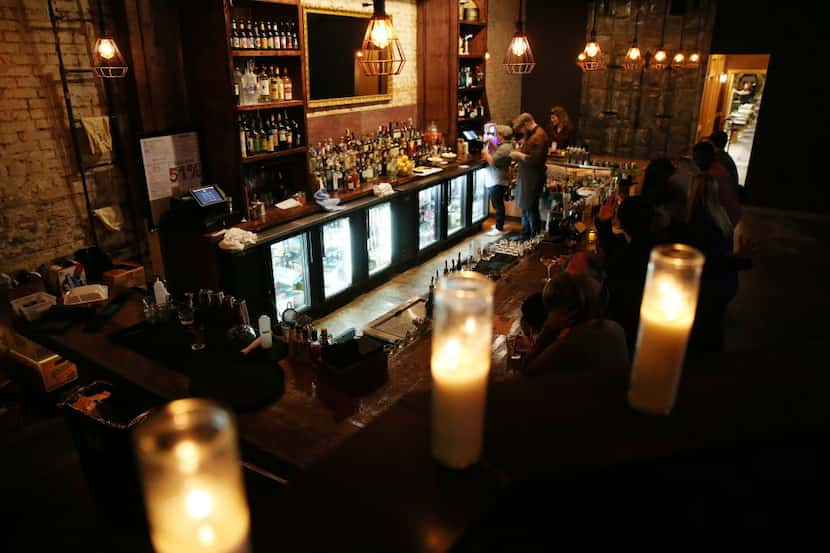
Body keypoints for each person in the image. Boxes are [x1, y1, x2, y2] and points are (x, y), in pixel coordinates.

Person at [680, 173, 750, 352]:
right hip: (727, 281)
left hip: (711, 283)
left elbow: (707, 261)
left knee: (703, 325)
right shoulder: (720, 214)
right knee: (714, 322)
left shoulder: (697, 220)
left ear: (692, 191)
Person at [522, 272, 629, 376]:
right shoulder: (614, 327)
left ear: (568, 311)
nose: (550, 315)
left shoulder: (570, 343)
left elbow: (527, 370)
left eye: (552, 309)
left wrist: (548, 329)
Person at [595, 195, 657, 355]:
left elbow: (613, 258)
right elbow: (612, 245)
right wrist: (603, 223)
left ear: (621, 221)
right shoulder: (647, 243)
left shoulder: (628, 256)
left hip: (623, 330)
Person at [510, 112, 549, 239]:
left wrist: (520, 156)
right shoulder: (533, 134)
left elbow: (536, 160)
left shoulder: (539, 136)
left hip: (533, 176)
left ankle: (533, 236)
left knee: (531, 207)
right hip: (527, 175)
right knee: (526, 205)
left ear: (527, 123)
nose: (522, 131)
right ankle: (525, 233)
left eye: (522, 128)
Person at [693, 141, 741, 226]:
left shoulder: (710, 177)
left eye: (697, 158)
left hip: (723, 220)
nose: (695, 161)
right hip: (731, 217)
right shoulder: (719, 167)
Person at [481, 124, 513, 234]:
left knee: (497, 204)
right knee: (498, 203)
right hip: (501, 179)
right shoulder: (507, 146)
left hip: (498, 180)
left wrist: (485, 152)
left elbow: (493, 161)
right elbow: (498, 153)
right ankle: (499, 225)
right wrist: (493, 147)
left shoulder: (505, 148)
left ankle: (499, 227)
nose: (496, 136)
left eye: (497, 134)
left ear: (502, 135)